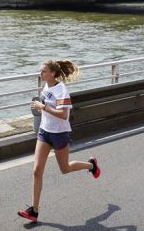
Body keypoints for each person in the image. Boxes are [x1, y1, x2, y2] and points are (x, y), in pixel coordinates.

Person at [18, 59, 100, 222]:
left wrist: (43, 108)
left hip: (59, 134)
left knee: (65, 169)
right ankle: (34, 211)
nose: (40, 73)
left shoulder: (61, 89)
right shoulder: (46, 86)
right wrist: (39, 108)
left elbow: (63, 114)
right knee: (36, 170)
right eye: (41, 71)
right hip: (44, 132)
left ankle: (91, 165)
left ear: (53, 73)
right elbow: (45, 107)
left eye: (43, 71)